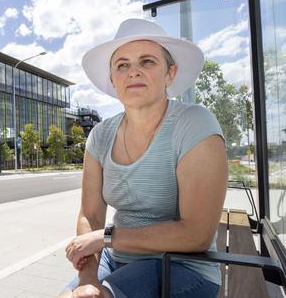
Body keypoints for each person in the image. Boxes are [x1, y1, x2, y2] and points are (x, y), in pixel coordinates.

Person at [58, 19, 227, 298]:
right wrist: (87, 278)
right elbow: (91, 214)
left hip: (184, 267)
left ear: (170, 73)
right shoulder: (100, 135)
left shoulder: (194, 124)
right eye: (122, 65)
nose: (133, 71)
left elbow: (197, 234)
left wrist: (104, 238)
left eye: (147, 62)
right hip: (116, 257)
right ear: (113, 79)